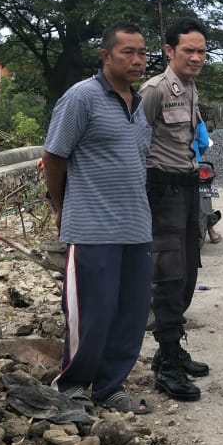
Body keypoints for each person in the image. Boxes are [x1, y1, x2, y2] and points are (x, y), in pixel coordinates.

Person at [41, 22, 153, 414]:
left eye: (142, 53)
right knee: (93, 311)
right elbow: (55, 157)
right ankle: (72, 384)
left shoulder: (138, 106)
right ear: (105, 56)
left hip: (136, 228)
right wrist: (61, 208)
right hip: (92, 227)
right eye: (128, 52)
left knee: (131, 313)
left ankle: (110, 386)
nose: (138, 60)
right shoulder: (81, 98)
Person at [140, 16, 212, 402]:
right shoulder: (155, 90)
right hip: (160, 191)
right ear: (169, 51)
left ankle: (174, 348)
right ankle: (166, 363)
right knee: (168, 276)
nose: (197, 57)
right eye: (189, 50)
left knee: (187, 271)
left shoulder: (189, 87)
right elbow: (135, 145)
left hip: (186, 189)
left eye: (202, 51)